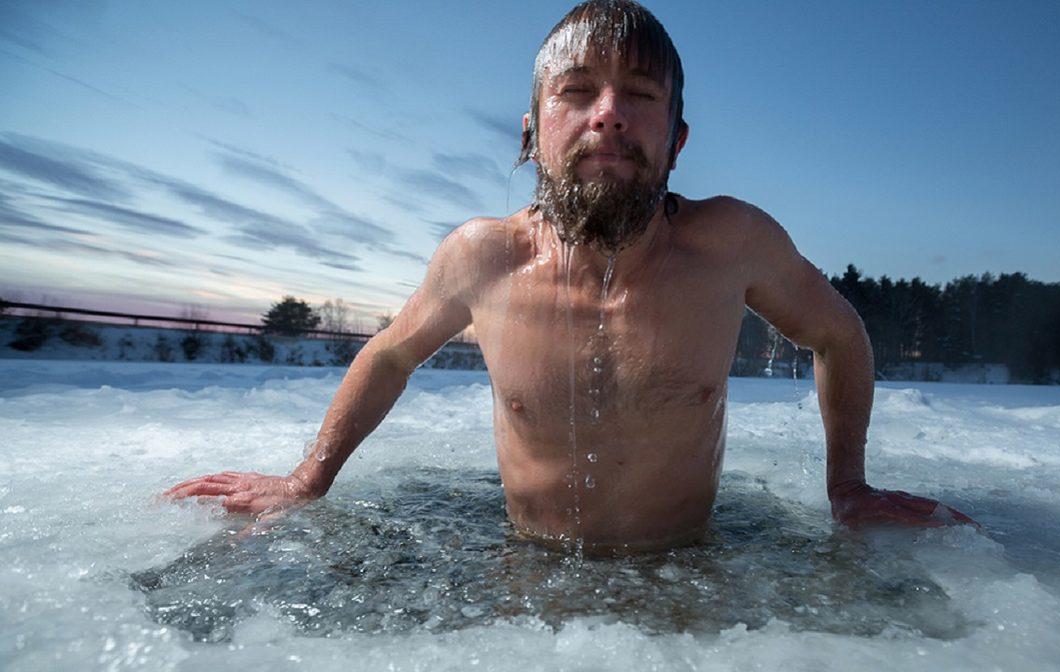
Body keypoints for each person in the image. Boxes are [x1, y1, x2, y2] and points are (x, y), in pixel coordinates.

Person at [166, 0, 972, 552]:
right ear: (532, 133)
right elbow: (389, 354)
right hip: (528, 570)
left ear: (677, 139)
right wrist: (308, 479)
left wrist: (849, 485)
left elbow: (838, 333)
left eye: (639, 94)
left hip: (690, 571)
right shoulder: (483, 258)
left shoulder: (732, 245)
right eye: (577, 91)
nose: (608, 112)